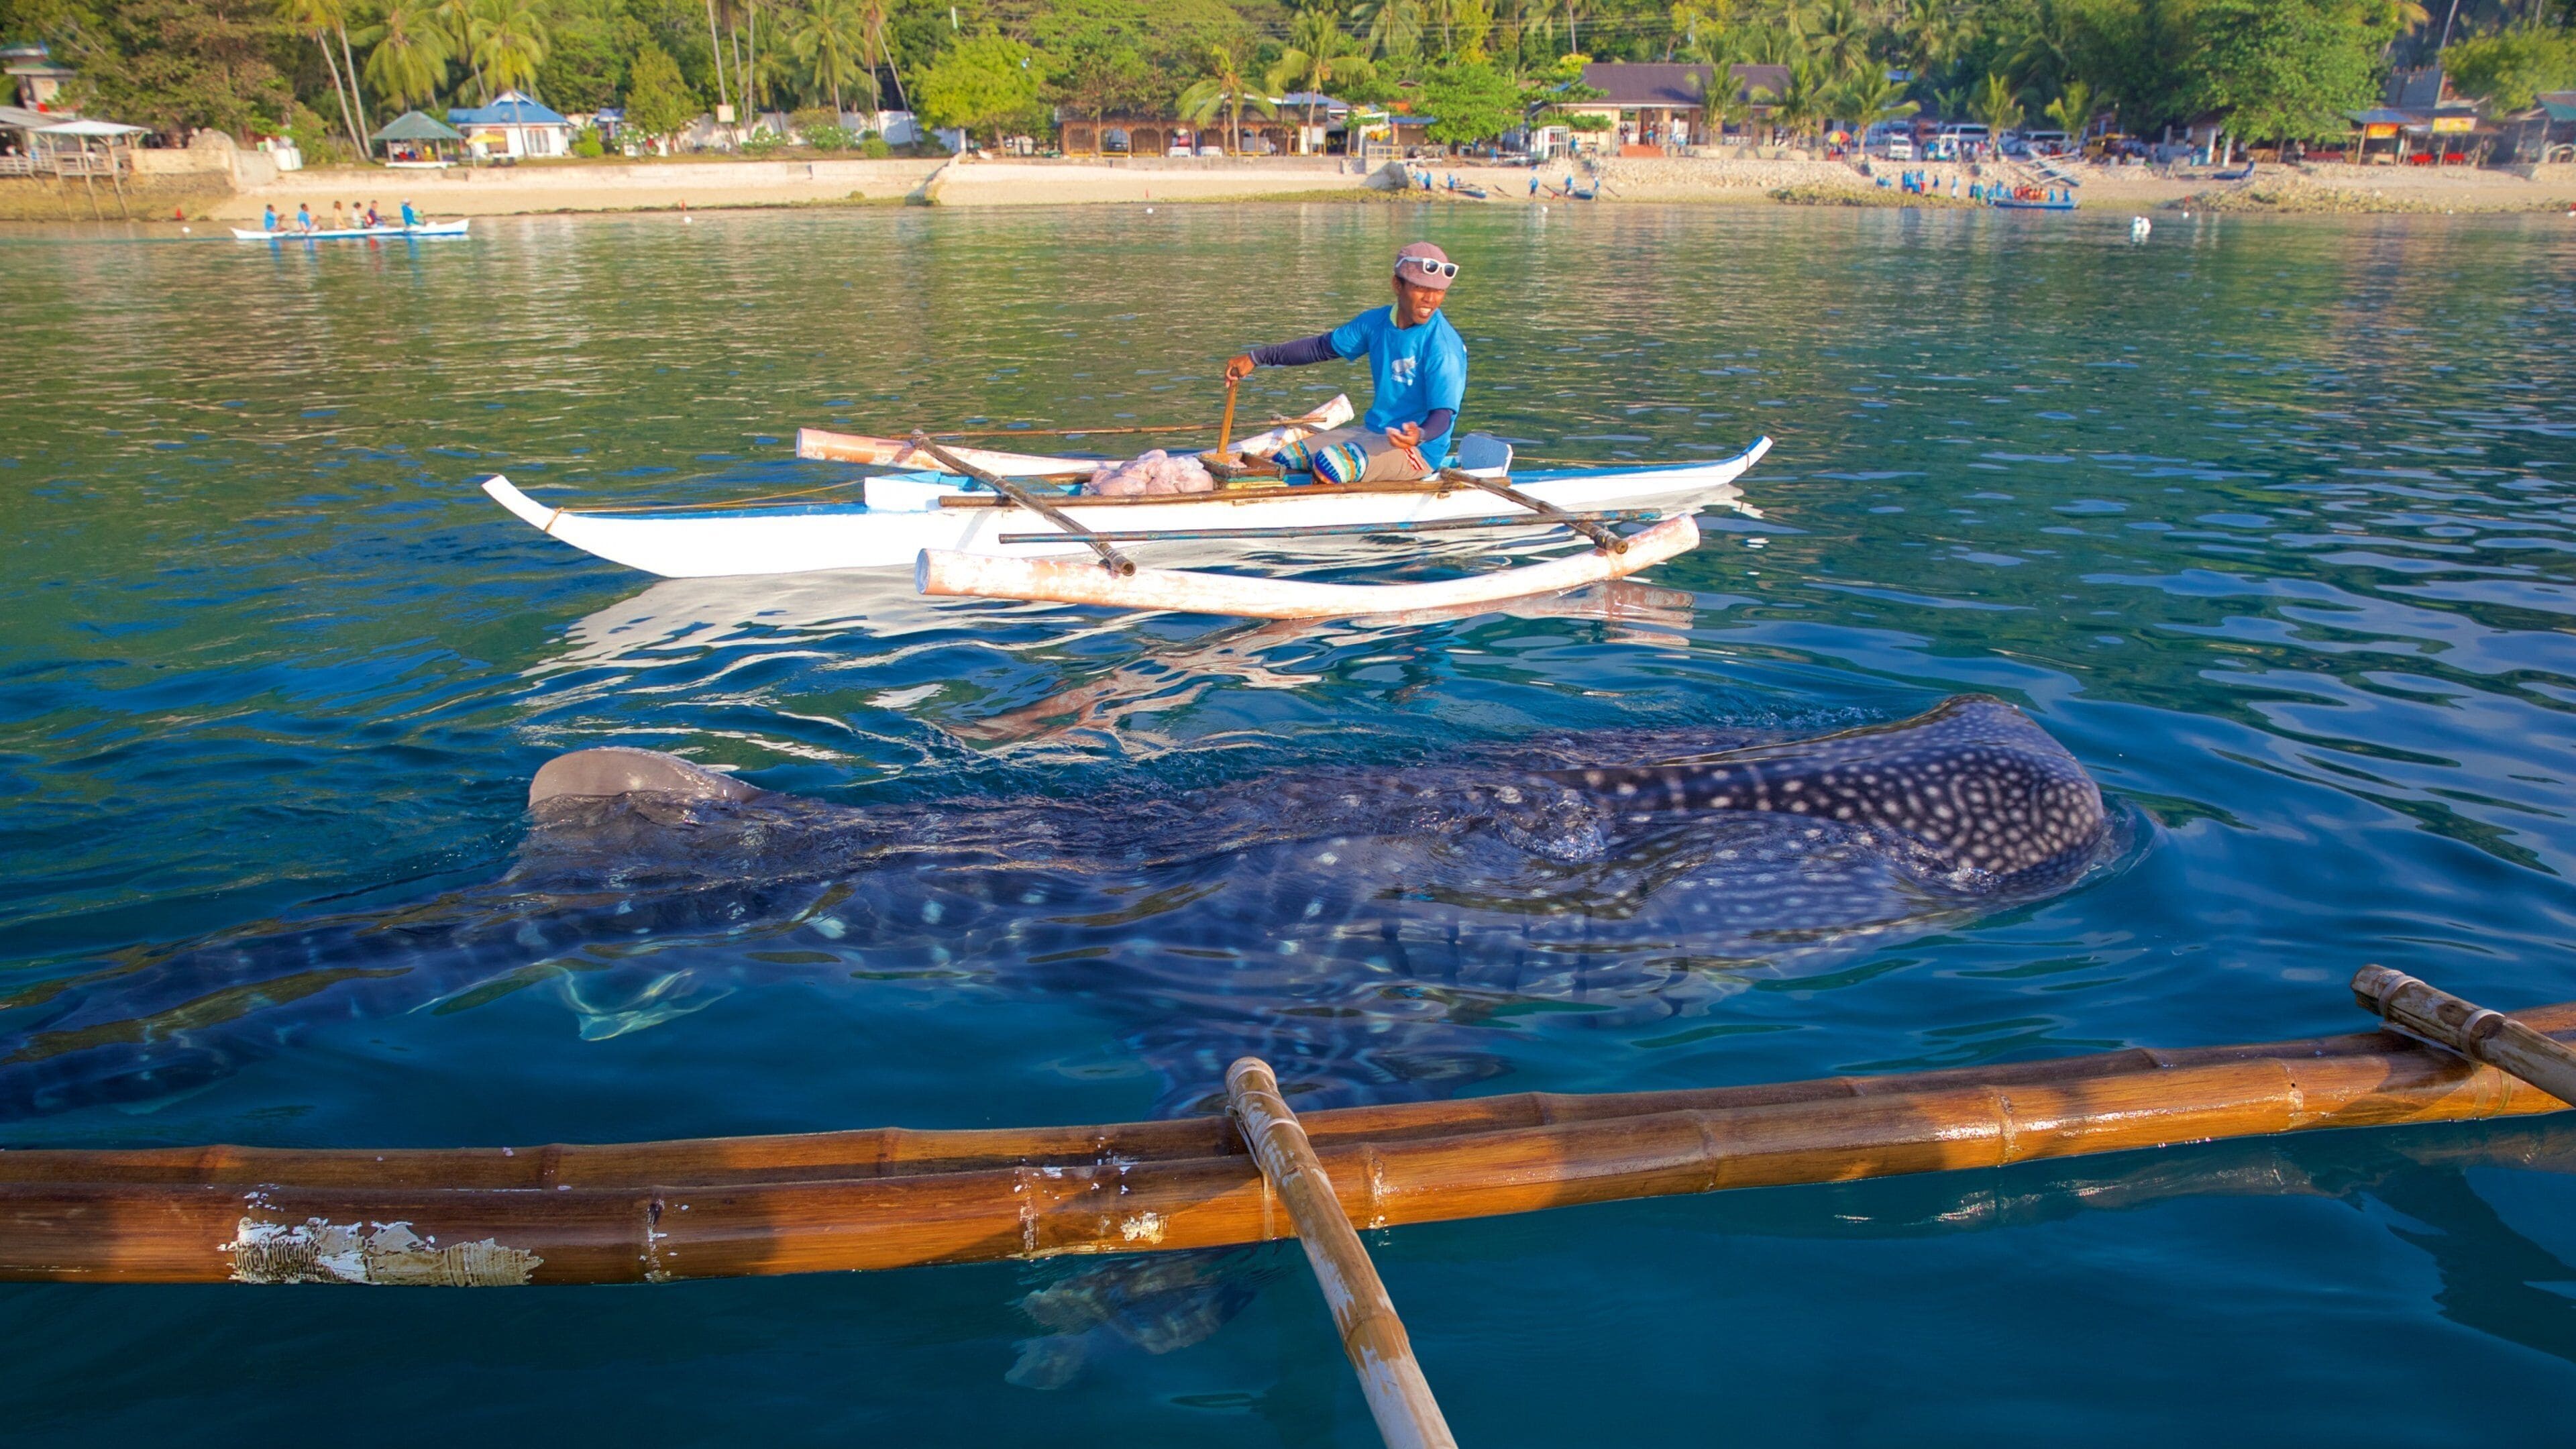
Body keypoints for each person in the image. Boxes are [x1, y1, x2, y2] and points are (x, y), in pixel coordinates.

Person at [1222, 241, 1468, 485]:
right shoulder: (1375, 322)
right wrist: (1256, 358)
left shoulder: (1444, 346)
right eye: (1420, 288)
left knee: (1330, 464)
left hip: (1419, 450)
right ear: (1397, 285)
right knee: (1286, 458)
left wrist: (1419, 435)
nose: (1431, 300)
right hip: (1374, 431)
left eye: (1439, 291)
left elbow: (1443, 416)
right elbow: (1319, 348)